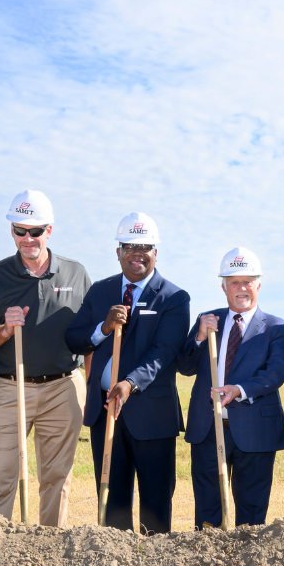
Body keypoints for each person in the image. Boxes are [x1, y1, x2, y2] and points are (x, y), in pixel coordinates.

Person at [66, 212, 190, 533]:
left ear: (156, 252)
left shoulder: (174, 298)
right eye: (129, 246)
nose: (137, 253)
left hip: (152, 416)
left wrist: (130, 384)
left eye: (145, 246)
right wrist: (103, 328)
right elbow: (74, 338)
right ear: (118, 251)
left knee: (155, 508)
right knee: (112, 508)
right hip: (106, 413)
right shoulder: (100, 291)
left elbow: (163, 353)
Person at [0, 190, 92, 526]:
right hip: (11, 388)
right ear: (12, 231)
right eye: (20, 231)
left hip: (63, 387)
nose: (28, 239)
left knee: (57, 477)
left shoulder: (76, 274)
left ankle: (50, 553)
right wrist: (4, 331)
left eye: (36, 231)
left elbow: (89, 339)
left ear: (49, 230)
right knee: (1, 472)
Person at [175, 247, 284, 528]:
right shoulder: (208, 320)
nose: (241, 288)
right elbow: (185, 366)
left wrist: (238, 389)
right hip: (208, 429)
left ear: (258, 285)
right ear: (223, 286)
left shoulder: (276, 328)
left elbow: (275, 374)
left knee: (251, 516)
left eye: (247, 281)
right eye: (234, 282)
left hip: (256, 432)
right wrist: (200, 338)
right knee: (207, 512)